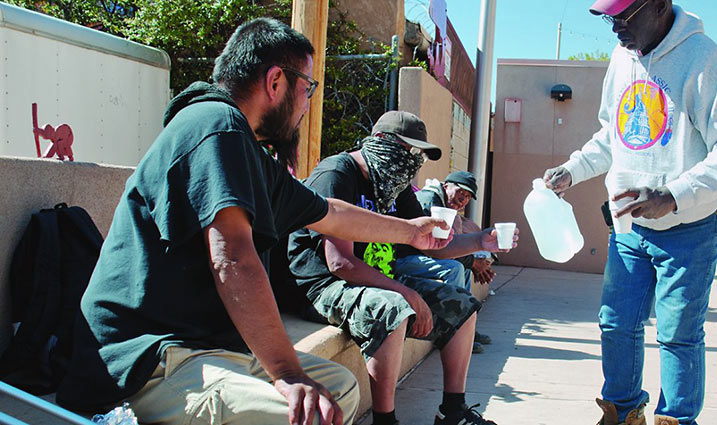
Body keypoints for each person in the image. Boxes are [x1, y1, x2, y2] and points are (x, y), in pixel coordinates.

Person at [56, 18, 452, 425]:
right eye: (307, 88)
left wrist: (411, 231)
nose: (307, 102)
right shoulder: (215, 126)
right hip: (147, 359)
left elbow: (329, 213)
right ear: (275, 81)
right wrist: (288, 374)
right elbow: (234, 259)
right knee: (310, 412)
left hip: (208, 347)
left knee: (340, 388)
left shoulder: (245, 151)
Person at [542, 1, 717, 424]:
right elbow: (613, 135)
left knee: (677, 333)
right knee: (616, 324)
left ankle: (675, 419)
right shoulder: (623, 57)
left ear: (658, 5)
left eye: (624, 16)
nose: (615, 27)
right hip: (629, 227)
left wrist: (673, 194)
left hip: (691, 227)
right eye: (609, 18)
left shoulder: (703, 58)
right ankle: (621, 413)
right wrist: (573, 169)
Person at [288, 111, 516, 425]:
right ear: (381, 141)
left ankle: (452, 412)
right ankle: (385, 421)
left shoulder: (393, 186)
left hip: (375, 278)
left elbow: (431, 246)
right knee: (393, 307)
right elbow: (339, 263)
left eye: (418, 154)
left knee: (462, 306)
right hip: (325, 285)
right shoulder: (337, 174)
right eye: (408, 151)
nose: (413, 161)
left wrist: (481, 240)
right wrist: (405, 292)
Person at [394, 171, 496, 353]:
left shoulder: (444, 206)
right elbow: (432, 248)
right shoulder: (429, 200)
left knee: (462, 268)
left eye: (467, 197)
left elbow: (445, 245)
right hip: (400, 258)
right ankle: (452, 332)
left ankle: (465, 327)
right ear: (445, 186)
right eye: (460, 192)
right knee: (454, 268)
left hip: (419, 256)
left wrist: (473, 263)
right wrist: (472, 262)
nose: (462, 200)